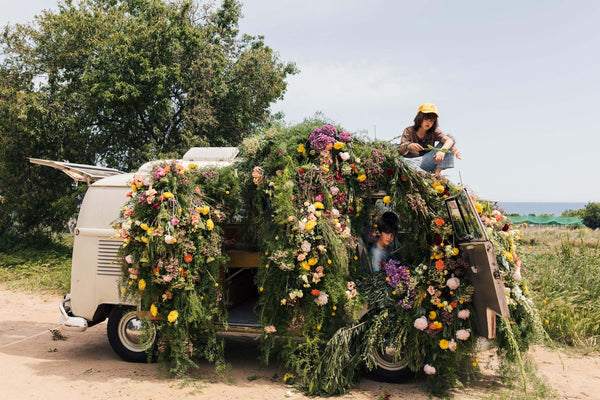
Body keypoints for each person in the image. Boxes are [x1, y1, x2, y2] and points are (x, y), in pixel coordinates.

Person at [398, 103, 459, 174]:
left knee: (451, 138)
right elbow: (401, 150)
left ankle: (437, 173)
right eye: (426, 119)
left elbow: (450, 140)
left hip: (428, 160)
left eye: (431, 120)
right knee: (402, 161)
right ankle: (427, 175)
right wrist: (409, 146)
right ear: (420, 118)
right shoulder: (409, 130)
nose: (428, 123)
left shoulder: (434, 131)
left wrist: (442, 151)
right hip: (413, 163)